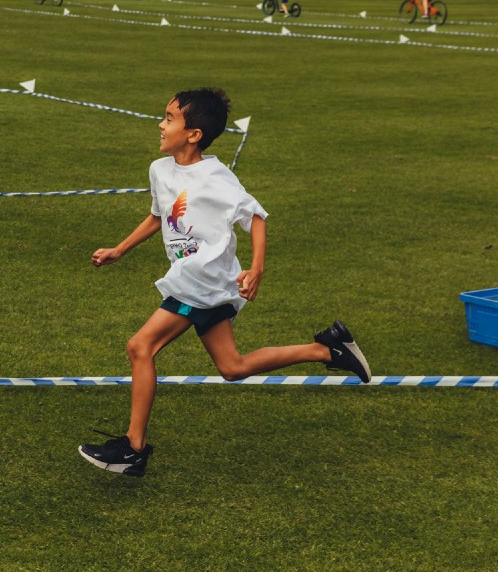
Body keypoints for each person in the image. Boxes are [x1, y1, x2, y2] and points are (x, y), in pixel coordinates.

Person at [78, 88, 371, 478]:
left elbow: (256, 217)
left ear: (193, 133)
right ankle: (327, 349)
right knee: (232, 367)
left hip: (205, 283)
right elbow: (158, 216)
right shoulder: (160, 171)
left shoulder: (216, 177)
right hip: (196, 282)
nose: (161, 125)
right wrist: (120, 249)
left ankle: (133, 448)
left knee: (140, 346)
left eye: (169, 118)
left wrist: (257, 268)